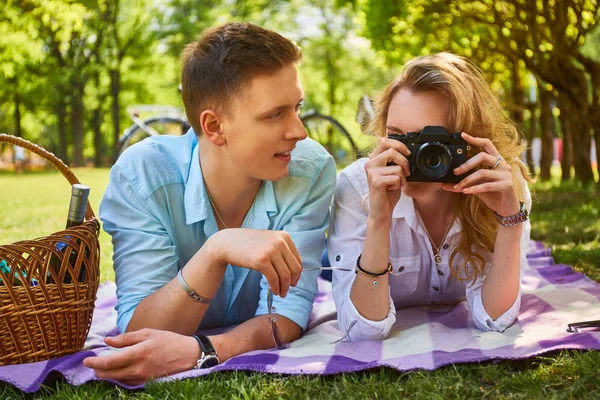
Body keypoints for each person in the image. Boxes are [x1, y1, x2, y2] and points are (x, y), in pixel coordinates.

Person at [83, 22, 336, 384]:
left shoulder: (310, 170)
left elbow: (288, 313)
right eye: (275, 114)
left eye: (297, 107)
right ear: (215, 126)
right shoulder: (143, 177)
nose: (300, 130)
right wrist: (216, 251)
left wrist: (205, 349)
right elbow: (138, 334)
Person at [328, 53, 532, 341]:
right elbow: (361, 331)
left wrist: (510, 220)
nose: (413, 158)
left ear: (469, 141)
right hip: (358, 238)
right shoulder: (358, 186)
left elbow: (495, 320)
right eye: (399, 138)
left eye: (431, 143)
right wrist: (378, 220)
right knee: (327, 268)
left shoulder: (501, 185)